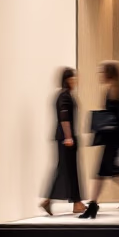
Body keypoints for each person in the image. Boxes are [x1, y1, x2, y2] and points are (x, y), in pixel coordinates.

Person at [79, 61, 119, 220]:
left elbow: (117, 117)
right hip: (114, 139)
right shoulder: (116, 88)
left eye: (102, 72)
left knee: (104, 173)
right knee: (111, 173)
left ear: (109, 73)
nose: (100, 75)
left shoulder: (113, 89)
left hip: (113, 140)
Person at [40, 67, 85, 216]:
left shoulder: (65, 95)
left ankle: (73, 203)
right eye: (74, 78)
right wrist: (68, 136)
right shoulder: (64, 96)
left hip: (66, 138)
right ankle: (75, 203)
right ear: (68, 79)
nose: (76, 80)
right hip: (66, 139)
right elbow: (64, 118)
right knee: (68, 169)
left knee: (66, 170)